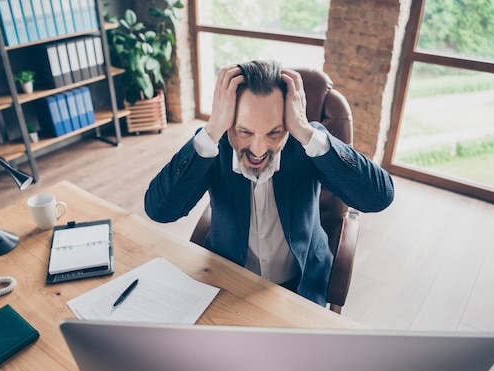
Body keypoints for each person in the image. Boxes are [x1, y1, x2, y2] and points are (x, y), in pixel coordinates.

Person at [145, 60, 394, 306]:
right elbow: (160, 211)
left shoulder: (306, 141)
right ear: (227, 120)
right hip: (229, 282)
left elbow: (378, 197)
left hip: (300, 286)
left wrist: (305, 132)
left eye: (273, 133)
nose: (259, 149)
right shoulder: (213, 143)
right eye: (245, 132)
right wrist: (212, 130)